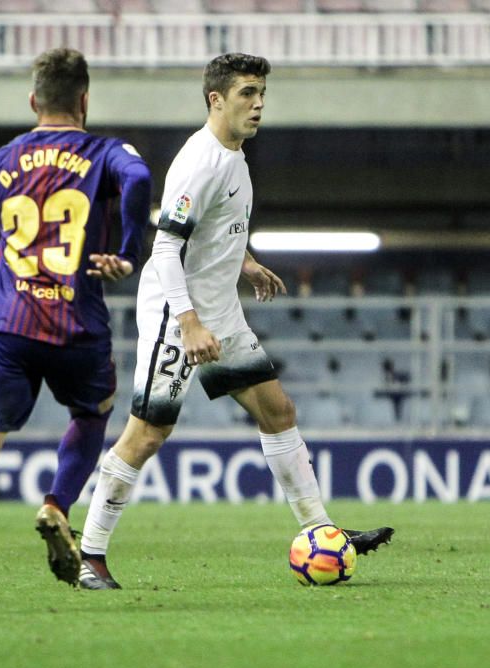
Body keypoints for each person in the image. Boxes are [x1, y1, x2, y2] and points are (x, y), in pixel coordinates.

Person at [77, 53, 394, 590]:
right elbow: (166, 249)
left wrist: (242, 263)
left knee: (277, 409)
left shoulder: (235, 157)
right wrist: (191, 323)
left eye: (262, 93)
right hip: (178, 315)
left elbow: (212, 231)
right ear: (215, 100)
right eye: (248, 93)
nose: (259, 103)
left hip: (219, 309)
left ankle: (321, 531)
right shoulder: (201, 162)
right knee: (149, 432)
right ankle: (89, 554)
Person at [0, 47, 152, 614]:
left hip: (7, 326)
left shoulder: (5, 157)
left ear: (33, 100)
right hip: (76, 323)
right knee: (93, 414)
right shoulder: (106, 151)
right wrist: (124, 250)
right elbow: (139, 176)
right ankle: (57, 507)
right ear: (84, 101)